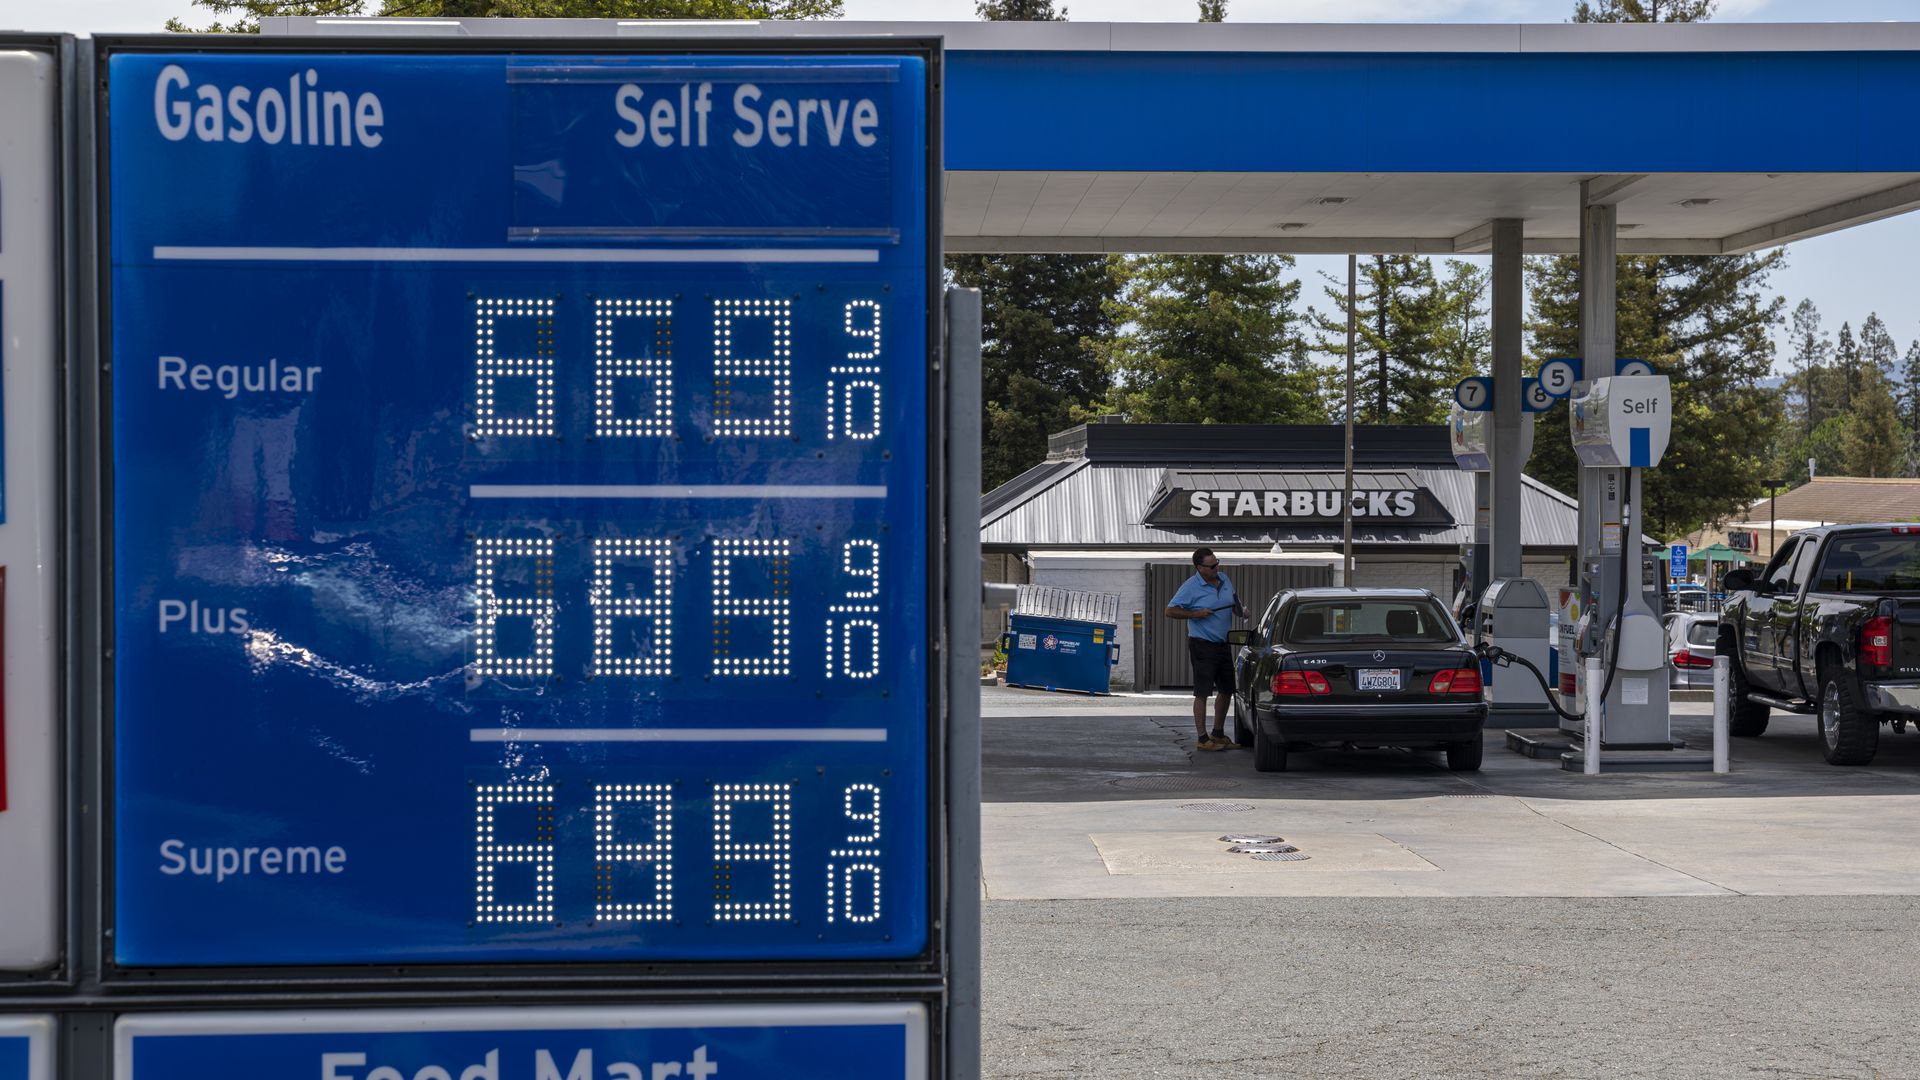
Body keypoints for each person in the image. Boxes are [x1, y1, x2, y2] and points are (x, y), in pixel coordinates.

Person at [1165, 547, 1247, 751]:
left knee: (1227, 689)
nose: (1216, 568)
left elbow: (1233, 601)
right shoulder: (1191, 587)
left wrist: (1241, 611)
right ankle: (1202, 739)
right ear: (1199, 567)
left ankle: (1218, 733)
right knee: (1202, 692)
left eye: (1217, 563)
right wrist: (1195, 614)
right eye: (1211, 566)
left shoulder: (1224, 579)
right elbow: (1170, 610)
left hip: (1223, 643)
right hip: (1203, 644)